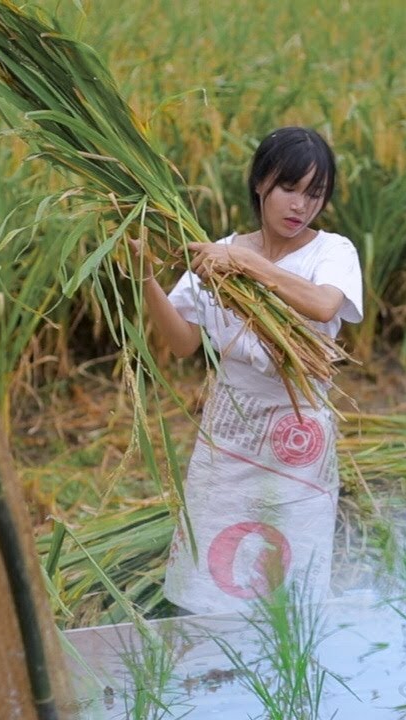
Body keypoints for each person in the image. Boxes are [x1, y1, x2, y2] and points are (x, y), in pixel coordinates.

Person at [131, 127, 363, 615]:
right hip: (229, 435)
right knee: (211, 582)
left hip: (295, 441)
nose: (300, 206)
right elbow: (181, 342)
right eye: (289, 188)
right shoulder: (218, 253)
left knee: (288, 591)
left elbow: (323, 307)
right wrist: (146, 278)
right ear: (261, 183)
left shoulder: (332, 252)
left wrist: (246, 264)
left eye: (314, 194)